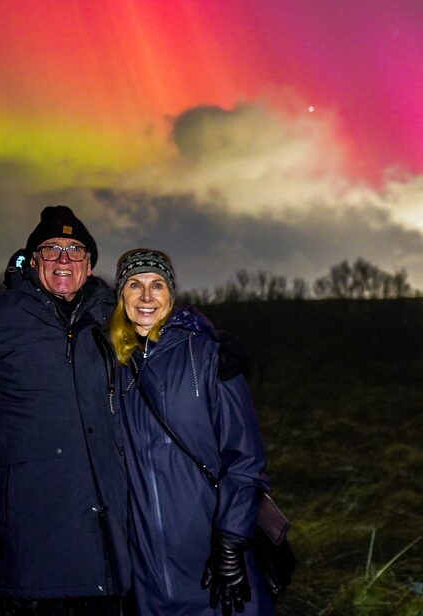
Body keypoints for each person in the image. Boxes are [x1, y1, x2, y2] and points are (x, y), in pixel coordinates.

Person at [0, 206, 131, 615]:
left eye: (75, 250)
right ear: (33, 260)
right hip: (30, 542)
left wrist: (214, 345)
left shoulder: (112, 320)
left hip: (110, 548)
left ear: (89, 264)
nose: (63, 260)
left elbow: (167, 333)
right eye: (51, 249)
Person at [109, 248, 273, 616]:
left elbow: (244, 456)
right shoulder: (113, 367)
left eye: (158, 284)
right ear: (121, 296)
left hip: (212, 556)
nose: (147, 296)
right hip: (147, 567)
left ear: (171, 294)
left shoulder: (208, 355)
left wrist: (231, 539)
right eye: (134, 285)